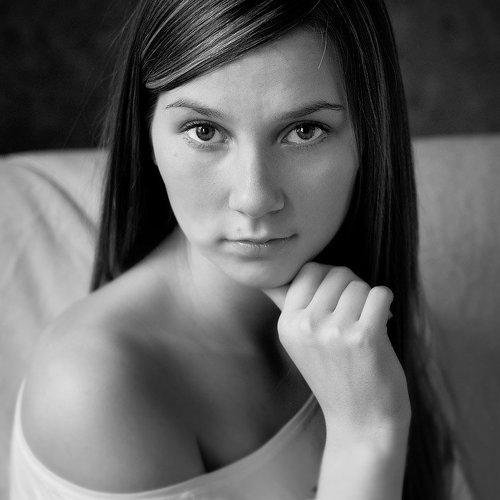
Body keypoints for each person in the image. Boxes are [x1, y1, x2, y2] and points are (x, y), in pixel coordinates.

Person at [9, 0, 471, 498]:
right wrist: (366, 435)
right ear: (146, 135)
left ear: (370, 138)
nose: (253, 197)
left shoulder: (371, 312)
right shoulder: (90, 386)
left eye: (304, 131)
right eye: (205, 131)